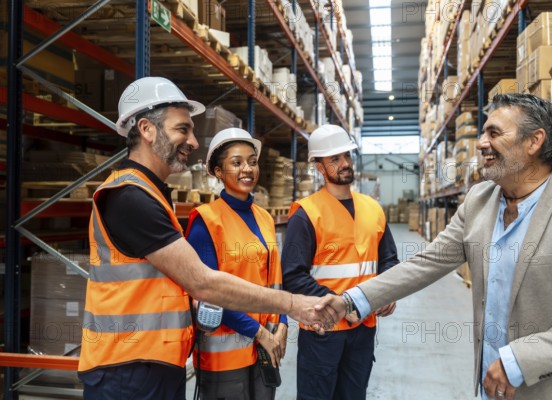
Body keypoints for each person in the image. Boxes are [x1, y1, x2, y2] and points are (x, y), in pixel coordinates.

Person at [323, 94, 552, 400]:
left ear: (534, 142)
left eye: (494, 133)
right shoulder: (480, 202)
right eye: (482, 133)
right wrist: (352, 300)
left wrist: (520, 359)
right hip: (489, 388)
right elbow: (427, 262)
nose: (481, 143)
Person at [77, 77, 338, 399]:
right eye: (182, 129)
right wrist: (295, 304)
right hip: (126, 367)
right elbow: (204, 283)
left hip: (152, 362)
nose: (193, 141)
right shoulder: (129, 197)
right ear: (146, 129)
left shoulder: (151, 194)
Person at [281, 124, 400, 400]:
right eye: (334, 159)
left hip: (364, 328)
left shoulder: (373, 209)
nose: (345, 163)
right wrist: (342, 306)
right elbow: (293, 276)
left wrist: (389, 293)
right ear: (320, 168)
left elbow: (389, 260)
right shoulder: (306, 214)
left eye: (346, 155)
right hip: (323, 330)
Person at [185, 128, 288, 400]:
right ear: (218, 172)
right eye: (236, 162)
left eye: (252, 162)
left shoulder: (265, 218)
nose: (247, 169)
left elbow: (274, 278)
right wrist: (258, 332)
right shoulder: (206, 222)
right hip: (224, 359)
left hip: (266, 349)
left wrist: (284, 322)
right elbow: (207, 293)